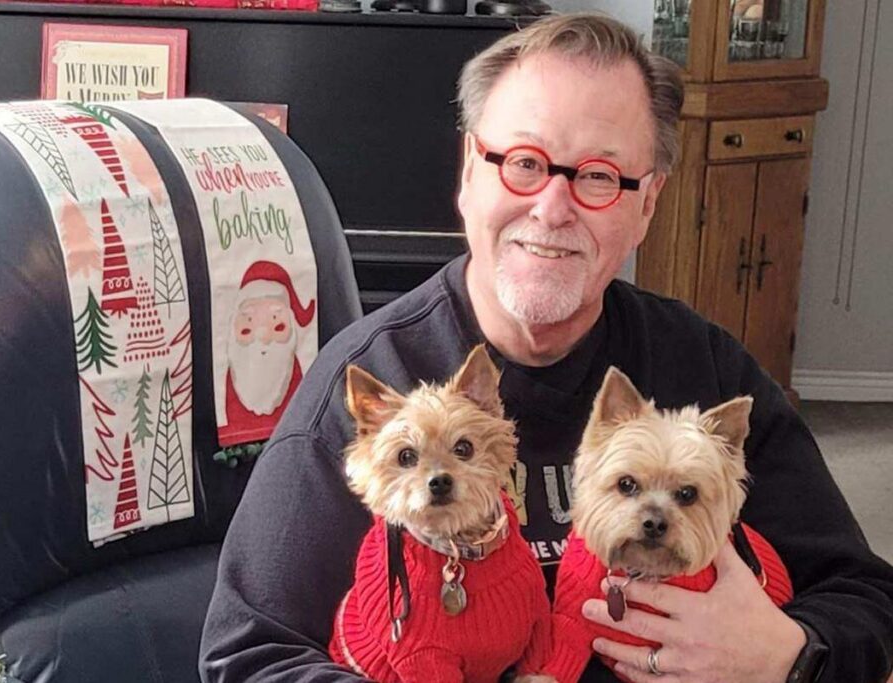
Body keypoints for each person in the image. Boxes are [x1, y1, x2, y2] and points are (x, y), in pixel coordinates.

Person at [200, 13, 893, 683]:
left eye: (599, 176)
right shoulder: (370, 386)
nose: (553, 208)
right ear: (472, 168)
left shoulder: (703, 368)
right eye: (524, 162)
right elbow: (247, 652)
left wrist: (790, 654)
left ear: (647, 203)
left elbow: (866, 598)